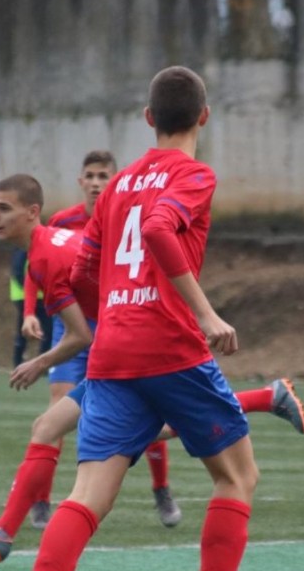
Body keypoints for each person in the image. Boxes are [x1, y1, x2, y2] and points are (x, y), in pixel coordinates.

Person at [0, 65, 255, 571]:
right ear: (203, 118)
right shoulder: (194, 174)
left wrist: (114, 316)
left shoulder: (116, 187)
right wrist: (207, 314)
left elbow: (85, 268)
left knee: (87, 496)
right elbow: (161, 228)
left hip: (112, 353)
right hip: (171, 345)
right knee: (236, 477)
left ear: (148, 119)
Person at [0, 172, 304, 564]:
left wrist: (39, 362)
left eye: (3, 208)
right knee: (53, 427)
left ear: (32, 213)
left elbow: (80, 335)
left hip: (135, 346)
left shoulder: (46, 256)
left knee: (146, 430)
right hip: (129, 340)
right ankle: (2, 533)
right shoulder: (49, 246)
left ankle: (6, 537)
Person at [21, 150, 183, 529]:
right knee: (56, 409)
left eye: (103, 176)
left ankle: (161, 490)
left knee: (147, 404)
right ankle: (40, 502)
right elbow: (36, 267)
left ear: (117, 180)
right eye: (90, 175)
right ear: (80, 181)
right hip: (72, 323)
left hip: (118, 321)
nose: (96, 183)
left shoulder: (128, 218)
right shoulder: (63, 221)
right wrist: (30, 311)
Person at [10, 247, 53, 368]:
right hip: (23, 297)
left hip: (42, 297)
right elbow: (18, 272)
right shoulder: (23, 250)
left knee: (48, 330)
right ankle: (17, 363)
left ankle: (43, 364)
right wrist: (31, 291)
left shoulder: (42, 249)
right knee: (24, 330)